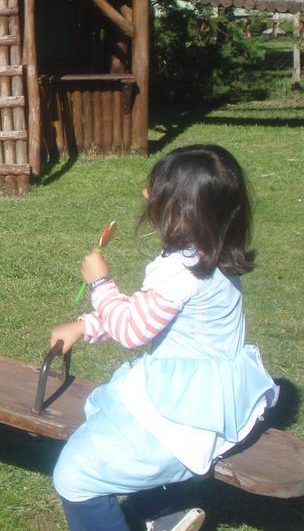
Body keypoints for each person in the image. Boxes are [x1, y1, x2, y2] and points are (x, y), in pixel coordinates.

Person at [50, 144, 279, 531]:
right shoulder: (213, 256)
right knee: (106, 423)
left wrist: (100, 283)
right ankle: (164, 513)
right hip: (213, 401)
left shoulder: (180, 272)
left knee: (74, 475)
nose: (144, 194)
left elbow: (132, 329)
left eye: (154, 190)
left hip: (183, 414)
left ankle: (158, 507)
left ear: (182, 211)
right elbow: (150, 314)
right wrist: (86, 326)